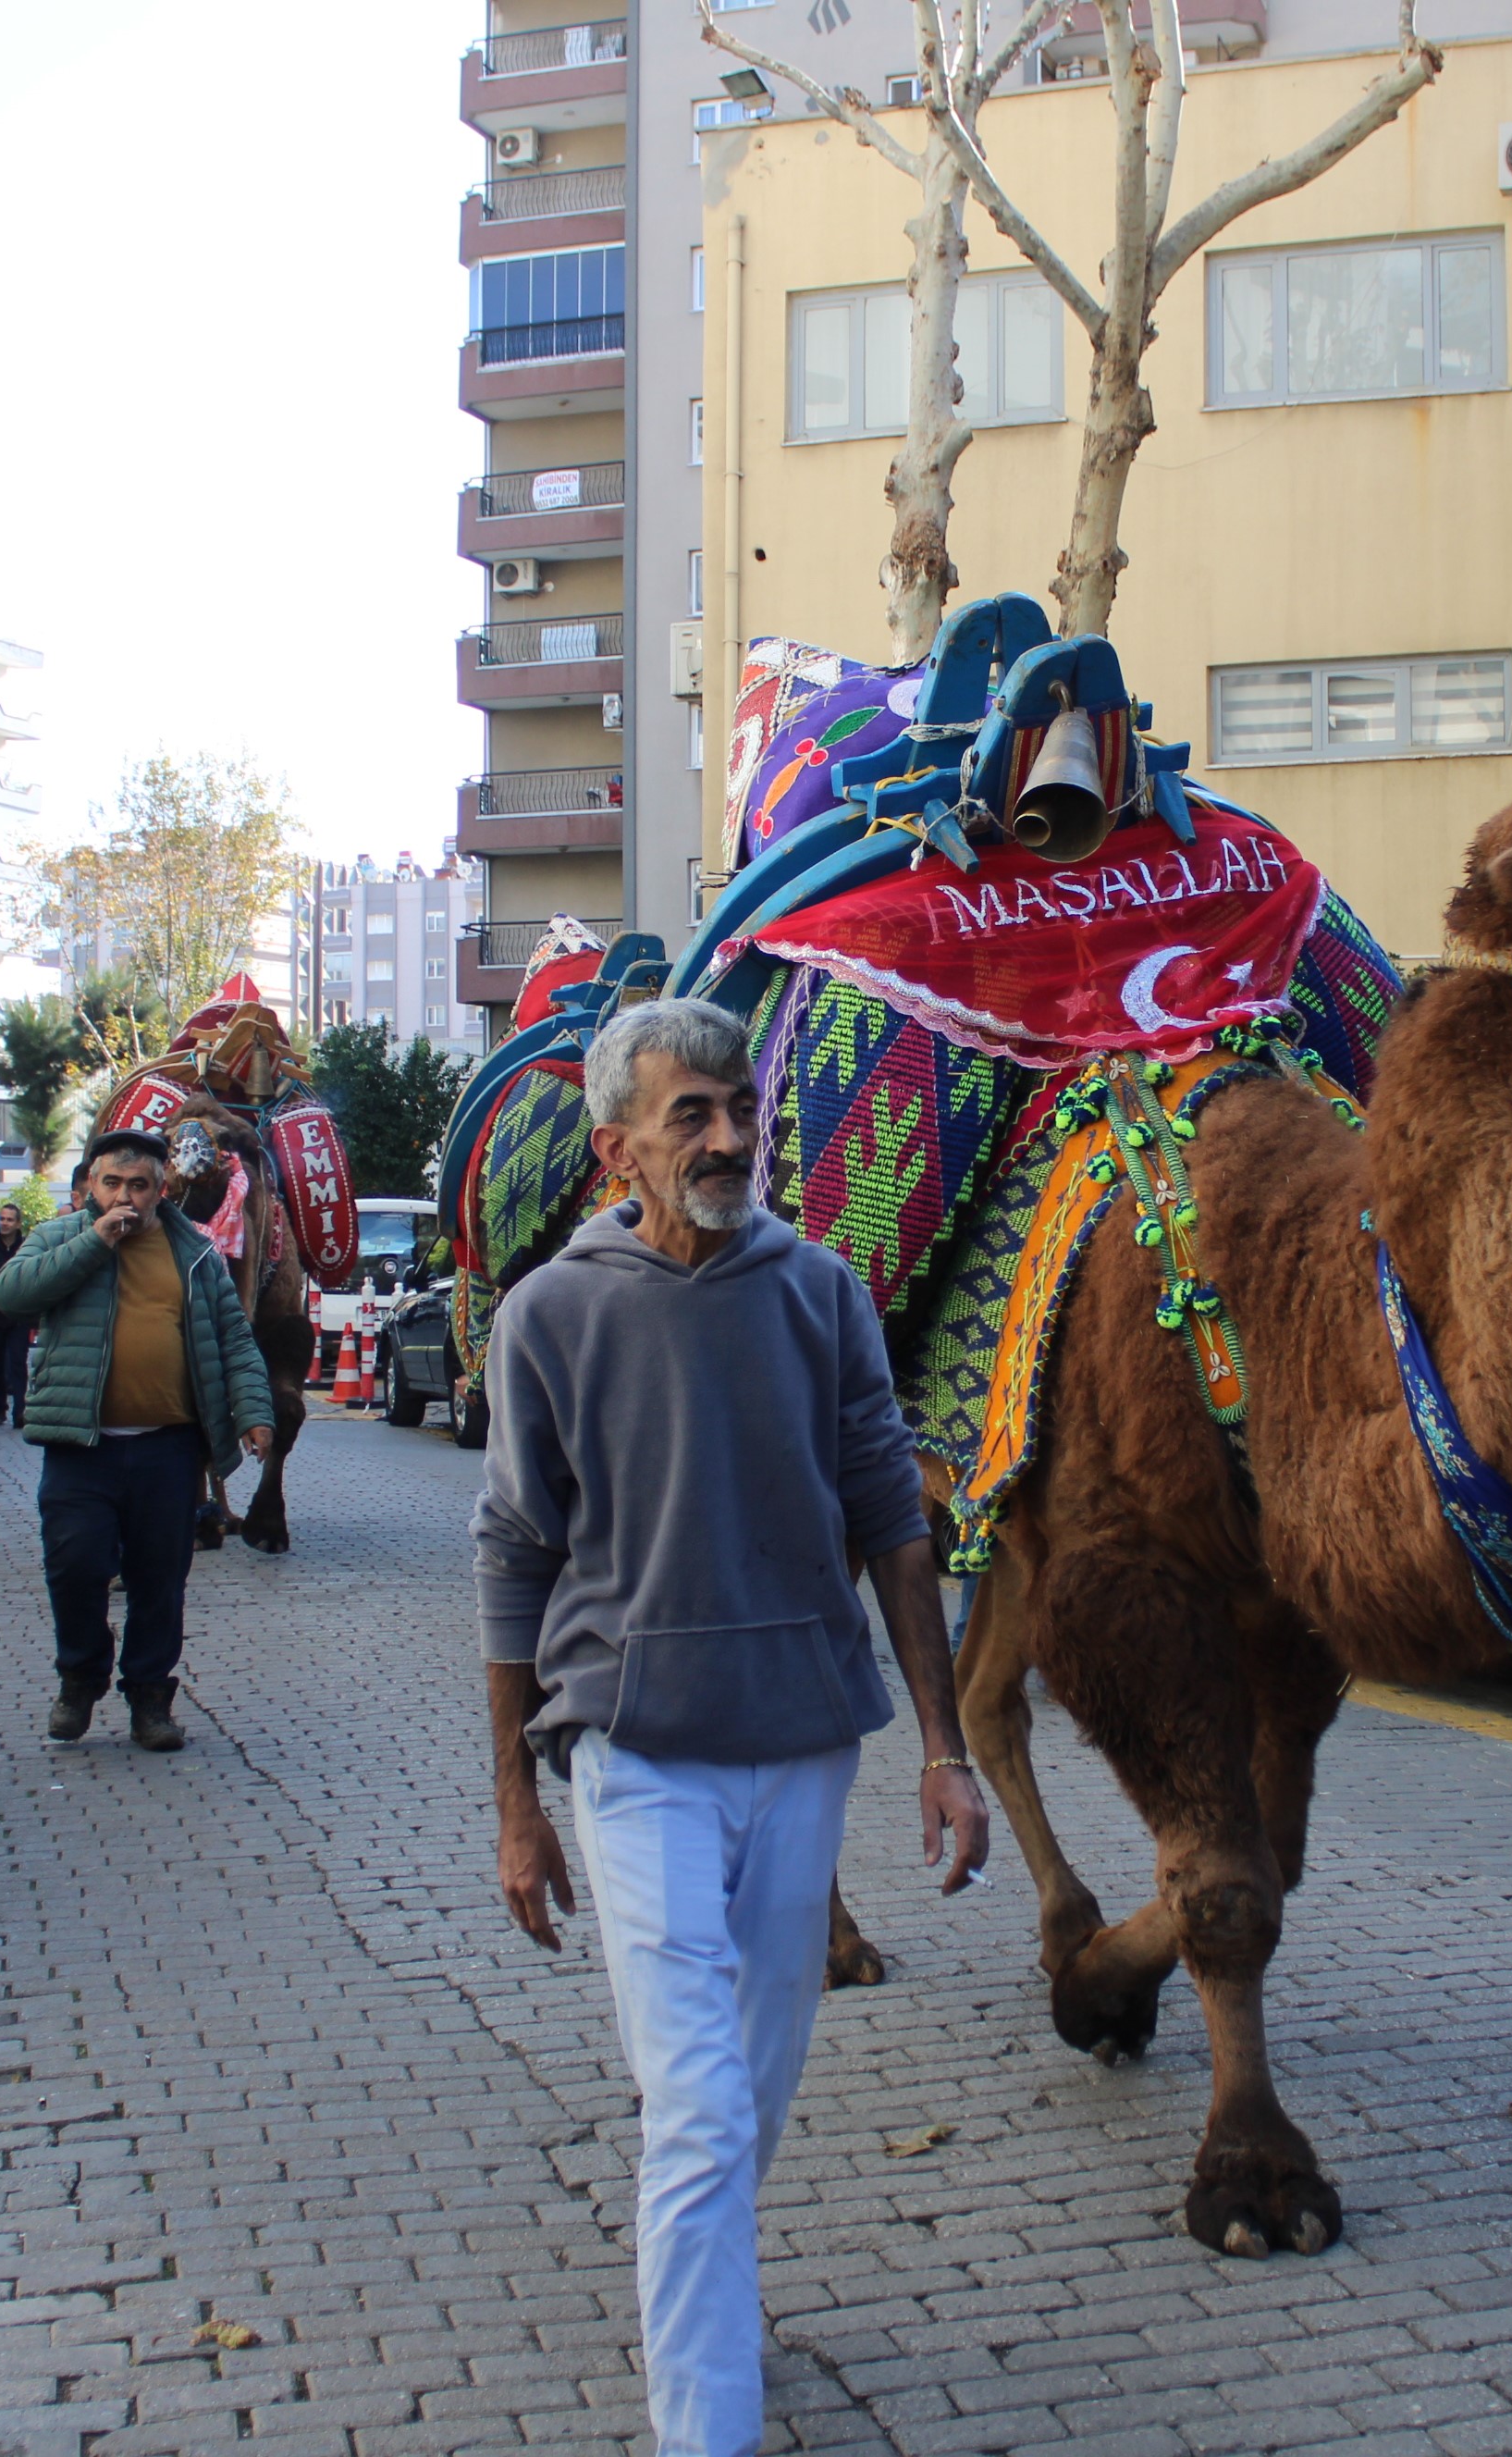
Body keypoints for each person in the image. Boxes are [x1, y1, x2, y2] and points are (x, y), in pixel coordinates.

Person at [475, 996, 992, 2457]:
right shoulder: (551, 1314)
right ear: (617, 1146)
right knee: (698, 2104)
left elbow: (893, 1518)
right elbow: (513, 1552)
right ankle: (708, 2424)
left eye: (738, 1110)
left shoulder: (819, 1293)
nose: (722, 1138)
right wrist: (516, 1805)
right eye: (686, 1114)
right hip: (631, 1754)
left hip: (803, 1742)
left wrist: (946, 1755)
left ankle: (693, 2283)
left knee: (749, 2093)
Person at [0, 1129, 273, 1753]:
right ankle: (80, 1678)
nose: (126, 1196)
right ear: (90, 1187)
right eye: (112, 1183)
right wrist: (95, 1242)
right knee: (76, 1566)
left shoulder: (193, 1253)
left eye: (139, 1185)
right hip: (79, 1446)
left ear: (161, 1189)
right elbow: (12, 1296)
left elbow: (234, 1339)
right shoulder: (60, 1237)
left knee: (159, 1577)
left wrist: (256, 1412)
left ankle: (150, 1697)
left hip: (167, 1450)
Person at [0, 1199, 36, 1426]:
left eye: (9, 1219)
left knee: (17, 1363)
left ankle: (20, 1410)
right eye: (1, 1219)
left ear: (18, 1223)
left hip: (19, 1316)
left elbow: (33, 1278)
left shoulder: (28, 1249)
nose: (4, 1223)